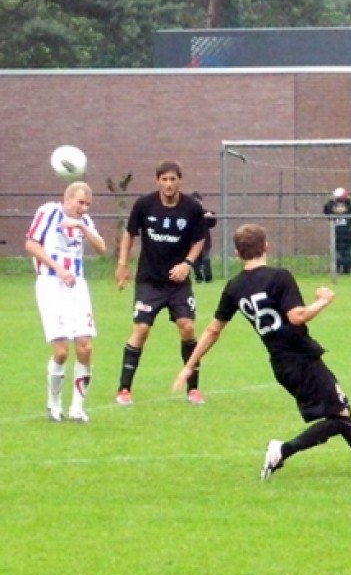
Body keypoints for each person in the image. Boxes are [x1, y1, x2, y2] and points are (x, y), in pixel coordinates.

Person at [172, 223, 351, 480]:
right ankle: (282, 450)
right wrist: (323, 300)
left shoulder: (234, 287)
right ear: (266, 246)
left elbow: (212, 330)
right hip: (300, 358)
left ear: (237, 253)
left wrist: (189, 365)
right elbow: (297, 317)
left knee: (341, 408)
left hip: (281, 363)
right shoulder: (279, 276)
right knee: (340, 417)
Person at [115, 160, 208, 406]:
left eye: (172, 179)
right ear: (157, 181)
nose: (168, 184)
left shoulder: (191, 208)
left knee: (187, 327)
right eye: (164, 180)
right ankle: (124, 390)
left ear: (180, 180)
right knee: (141, 330)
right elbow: (130, 234)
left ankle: (193, 390)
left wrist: (187, 263)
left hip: (178, 284)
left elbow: (199, 240)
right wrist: (123, 264)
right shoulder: (144, 205)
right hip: (149, 281)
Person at [25, 181, 107, 423]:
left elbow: (102, 248)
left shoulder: (84, 222)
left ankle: (78, 408)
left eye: (87, 205)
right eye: (80, 203)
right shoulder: (48, 212)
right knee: (61, 352)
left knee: (85, 346)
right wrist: (58, 268)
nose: (83, 208)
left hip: (77, 286)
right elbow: (31, 244)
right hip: (51, 284)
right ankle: (54, 404)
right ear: (67, 199)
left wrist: (82, 226)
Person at [323, 187, 351, 274]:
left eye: (342, 207)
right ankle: (337, 269)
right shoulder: (333, 216)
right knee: (337, 254)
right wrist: (333, 200)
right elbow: (326, 209)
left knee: (346, 254)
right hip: (336, 237)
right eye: (337, 207)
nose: (340, 209)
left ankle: (346, 270)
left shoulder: (348, 215)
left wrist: (346, 198)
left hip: (347, 237)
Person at [189, 191, 218, 283]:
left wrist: (211, 216)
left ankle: (208, 278)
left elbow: (212, 224)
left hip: (205, 242)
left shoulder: (206, 213)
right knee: (195, 261)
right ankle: (199, 278)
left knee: (206, 259)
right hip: (193, 242)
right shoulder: (188, 214)